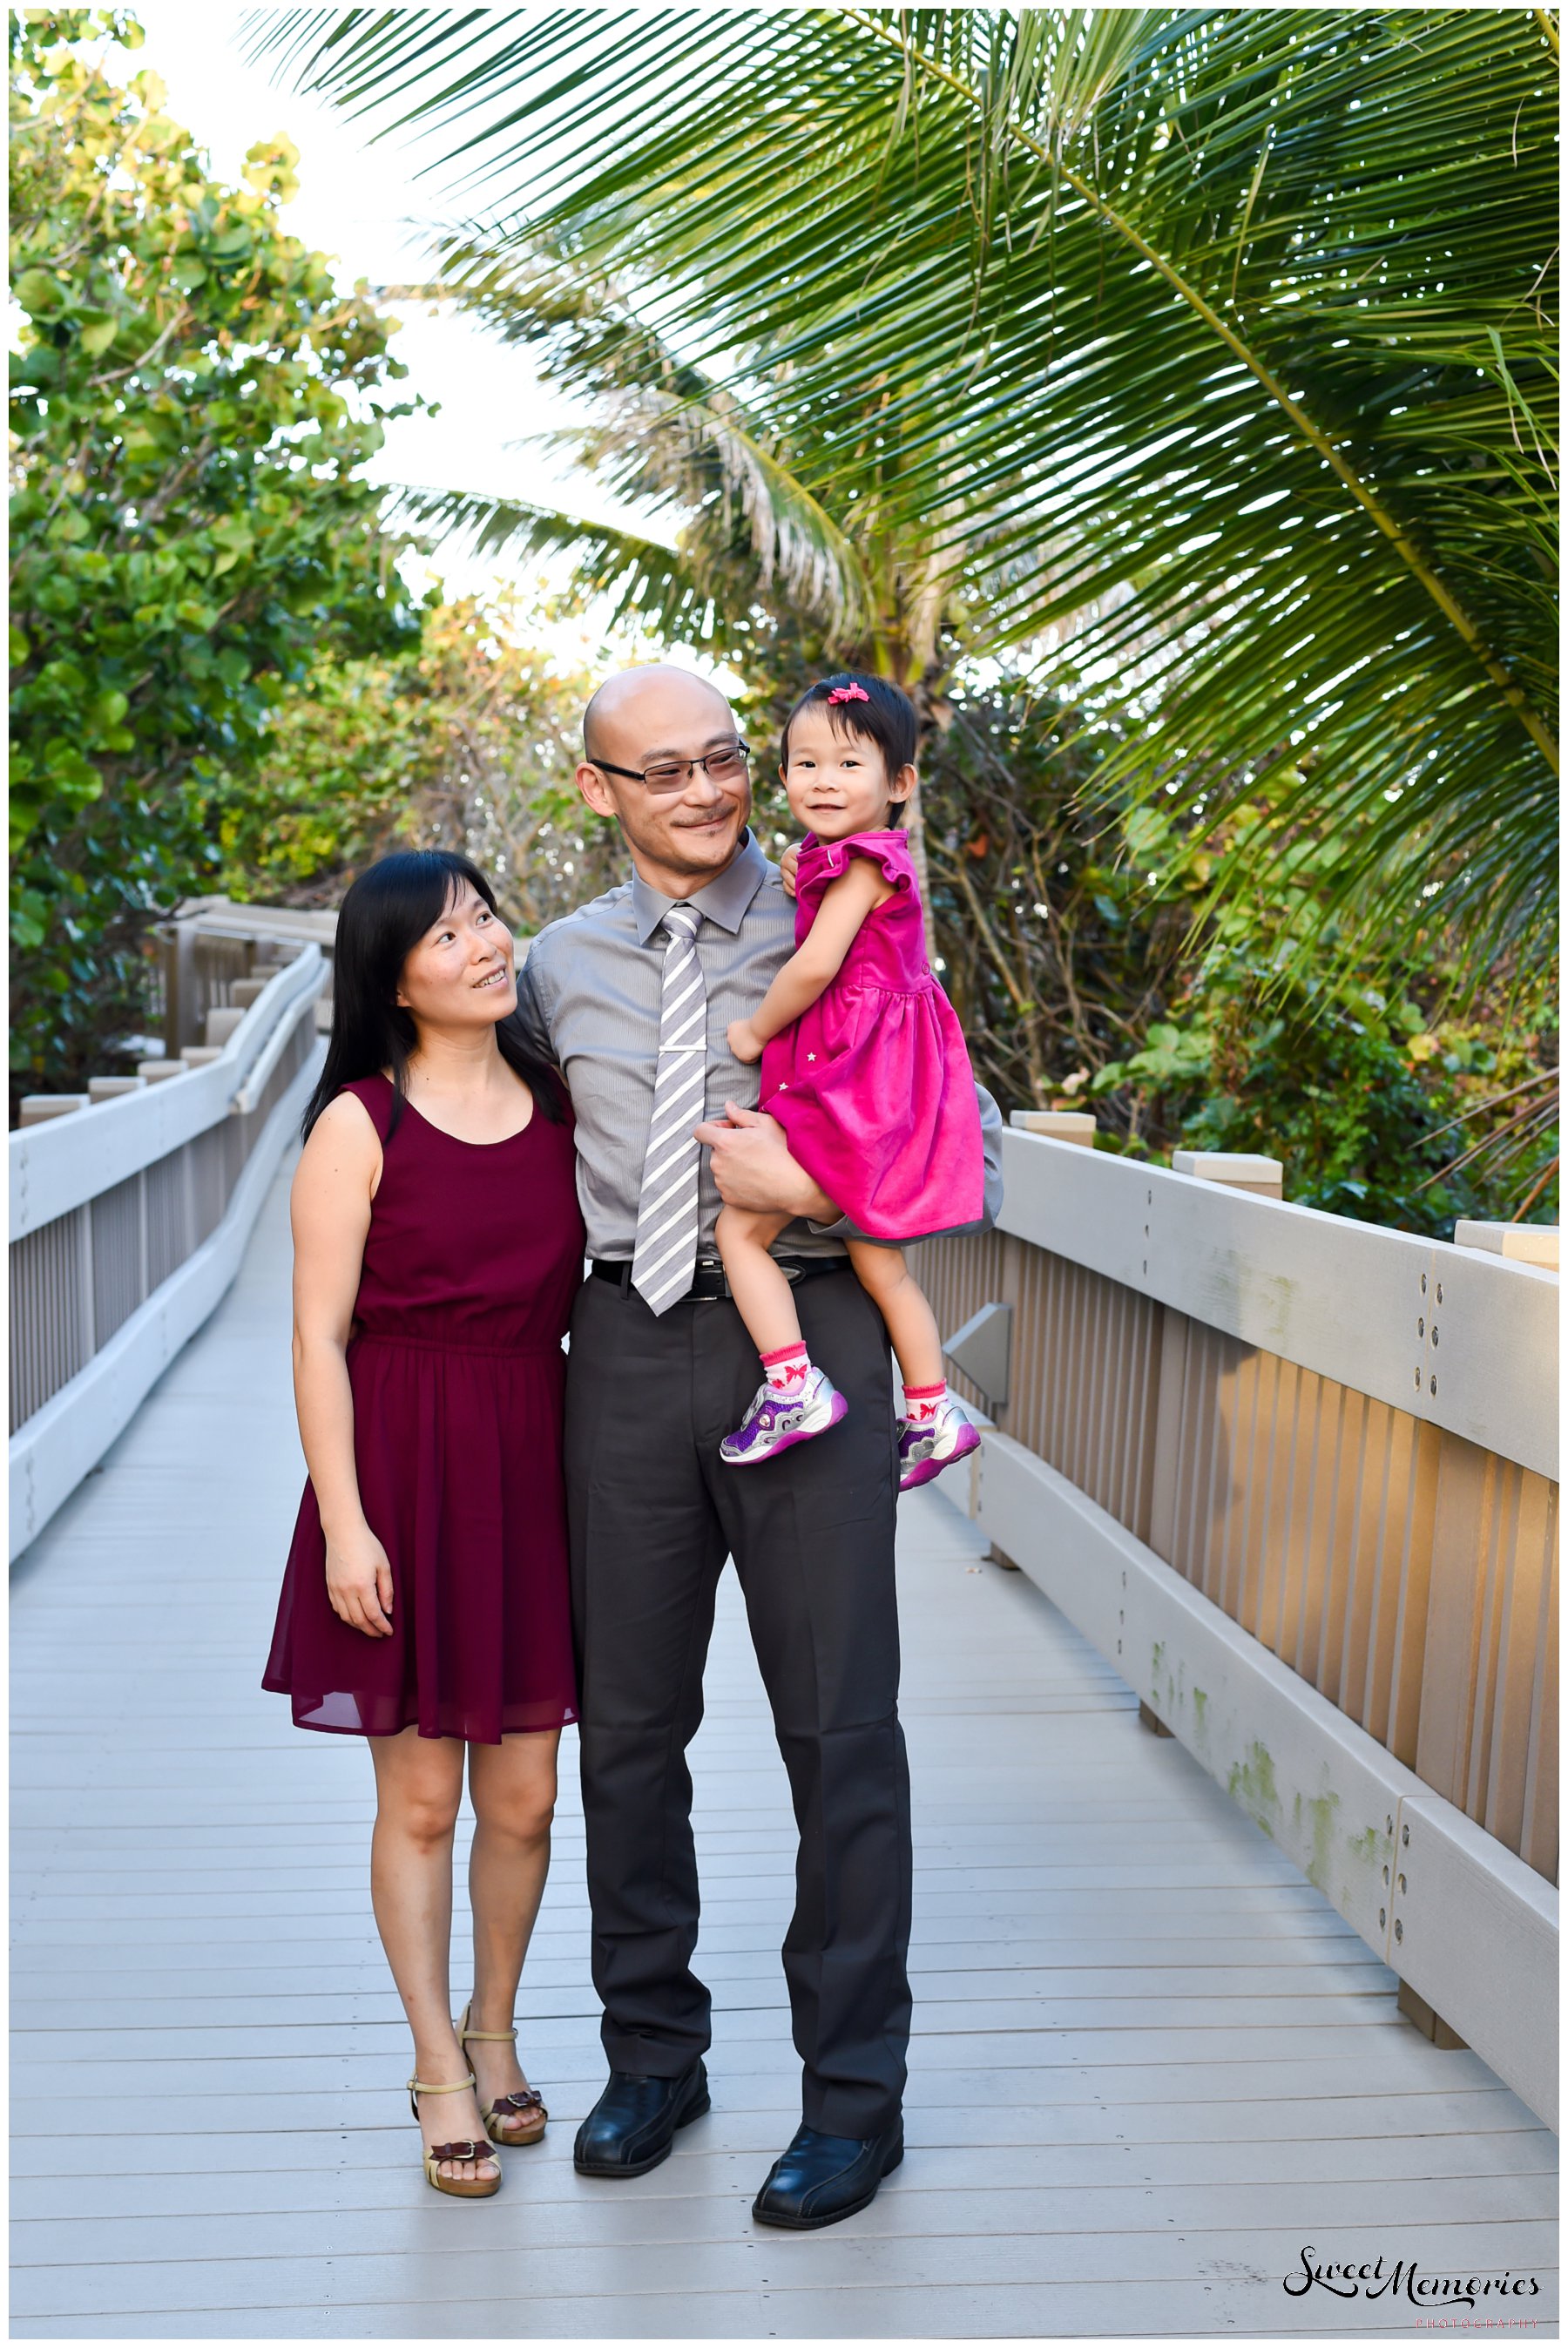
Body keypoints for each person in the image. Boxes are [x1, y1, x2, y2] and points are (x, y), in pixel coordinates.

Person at [510, 664, 1003, 2230]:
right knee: (631, 1733)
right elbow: (481, 1155)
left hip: (811, 1339)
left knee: (840, 1728)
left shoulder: (844, 918)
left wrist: (816, 1192)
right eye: (664, 771)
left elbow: (960, 1149)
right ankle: (654, 2054)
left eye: (728, 758)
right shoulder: (548, 969)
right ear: (597, 789)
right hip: (627, 1351)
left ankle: (856, 2100)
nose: (711, 791)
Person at [263, 850, 582, 2201]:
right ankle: (435, 2060)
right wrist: (345, 1523)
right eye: (449, 934)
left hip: (531, 1456)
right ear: (393, 974)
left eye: (488, 918)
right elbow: (316, 1336)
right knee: (424, 1795)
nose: (486, 943)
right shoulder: (360, 1121)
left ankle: (497, 2023)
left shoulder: (563, 1100)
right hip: (396, 1461)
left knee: (523, 1792)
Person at [718, 672, 984, 1486]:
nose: (822, 782)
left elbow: (816, 966)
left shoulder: (866, 865)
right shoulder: (851, 863)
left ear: (899, 784)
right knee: (882, 1267)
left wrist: (756, 1028)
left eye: (847, 765)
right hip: (881, 1085)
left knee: (738, 1231)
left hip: (851, 1081)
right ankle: (932, 1408)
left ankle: (792, 1382)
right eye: (804, 765)